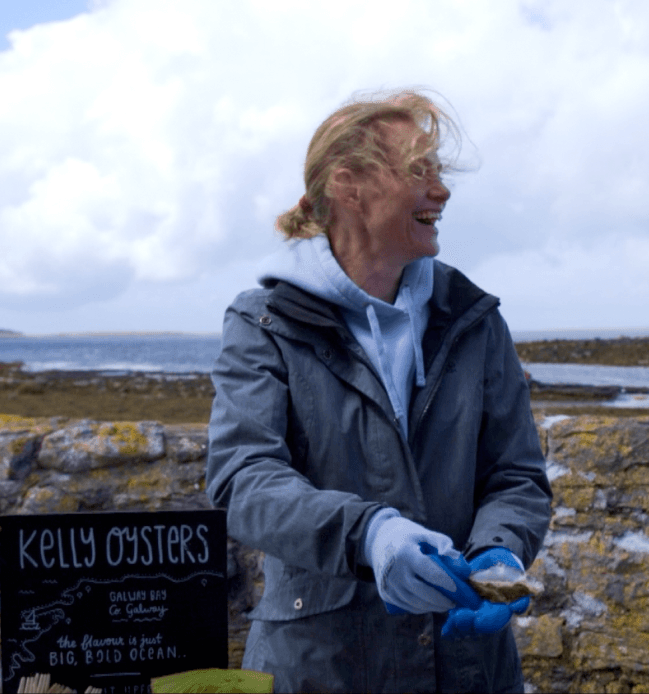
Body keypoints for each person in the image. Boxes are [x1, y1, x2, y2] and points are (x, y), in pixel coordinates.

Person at [206, 90, 552, 693]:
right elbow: (243, 479)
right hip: (320, 670)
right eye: (420, 171)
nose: (441, 191)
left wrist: (500, 553)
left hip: (468, 669)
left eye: (439, 173)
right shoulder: (263, 322)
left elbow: (516, 477)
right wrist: (371, 534)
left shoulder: (473, 318)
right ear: (349, 185)